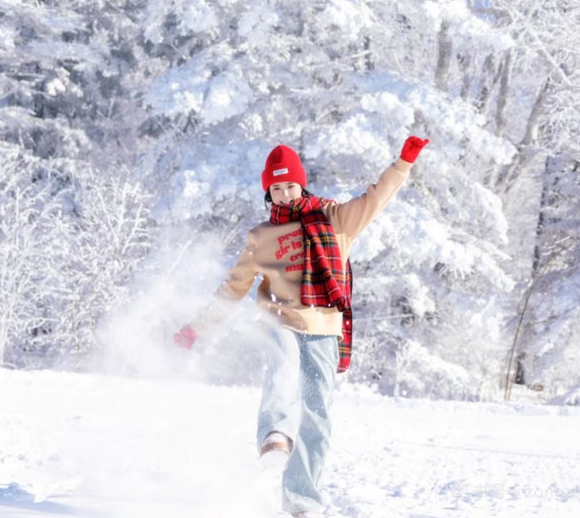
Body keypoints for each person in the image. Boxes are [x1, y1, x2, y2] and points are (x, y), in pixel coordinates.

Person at [173, 137, 429, 518]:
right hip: (279, 319)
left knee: (317, 416)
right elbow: (234, 287)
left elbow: (376, 199)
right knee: (282, 366)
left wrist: (403, 163)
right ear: (268, 193)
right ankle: (275, 436)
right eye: (275, 189)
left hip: (325, 327)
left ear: (301, 184)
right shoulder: (262, 237)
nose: (284, 194)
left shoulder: (334, 219)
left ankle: (301, 503)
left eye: (290, 185)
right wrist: (198, 326)